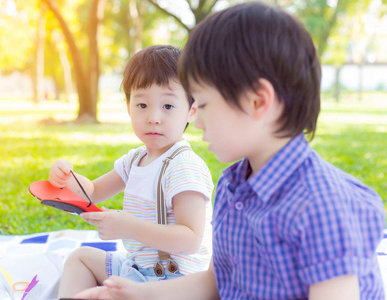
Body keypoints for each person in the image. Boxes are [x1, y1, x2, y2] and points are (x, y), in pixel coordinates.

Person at [74, 2, 386, 300]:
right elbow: (216, 284)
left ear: (257, 101)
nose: (197, 121)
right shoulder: (233, 187)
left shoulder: (322, 207)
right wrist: (141, 294)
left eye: (205, 104)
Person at [49, 45, 214, 298]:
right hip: (137, 269)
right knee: (80, 258)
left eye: (168, 106)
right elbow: (92, 192)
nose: (153, 117)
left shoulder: (184, 166)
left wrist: (130, 227)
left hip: (173, 281)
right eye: (142, 105)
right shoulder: (135, 159)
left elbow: (190, 238)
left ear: (191, 110)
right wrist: (67, 179)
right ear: (129, 107)